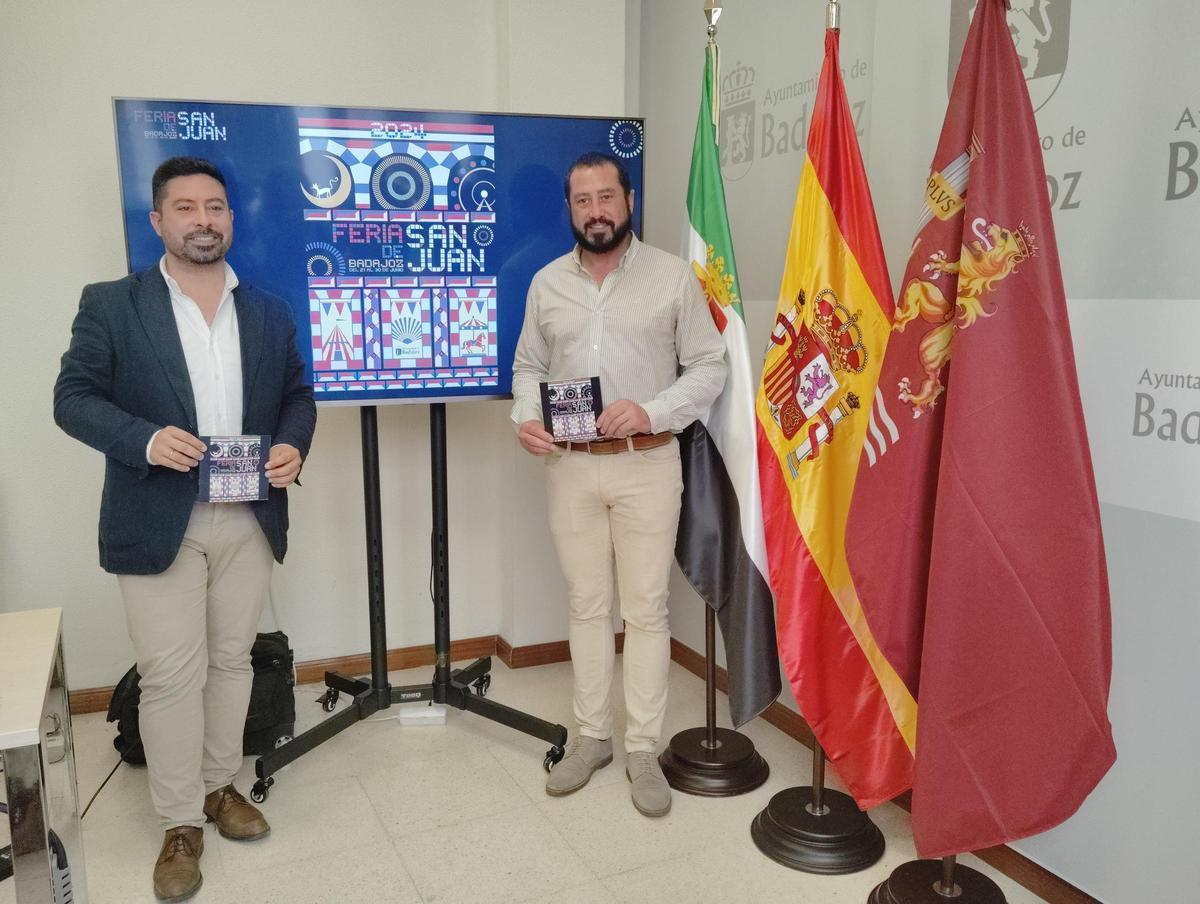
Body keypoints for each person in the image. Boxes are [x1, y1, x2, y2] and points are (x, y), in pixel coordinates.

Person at [54, 157, 317, 901]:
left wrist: (295, 444)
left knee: (233, 661)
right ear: (159, 222)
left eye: (216, 207)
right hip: (156, 512)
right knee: (172, 674)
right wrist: (141, 438)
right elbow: (71, 398)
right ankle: (179, 824)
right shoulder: (112, 304)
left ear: (230, 220)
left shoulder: (267, 311)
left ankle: (217, 788)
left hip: (248, 513)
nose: (203, 219)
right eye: (186, 208)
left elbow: (297, 396)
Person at [511, 151, 726, 817]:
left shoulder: (671, 278)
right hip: (570, 465)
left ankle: (642, 748)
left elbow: (709, 365)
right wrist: (526, 418)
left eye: (607, 196)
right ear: (570, 209)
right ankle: (593, 738)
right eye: (583, 200)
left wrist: (653, 410)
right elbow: (527, 368)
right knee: (586, 606)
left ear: (628, 201)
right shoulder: (547, 283)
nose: (597, 210)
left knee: (646, 609)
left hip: (647, 462)